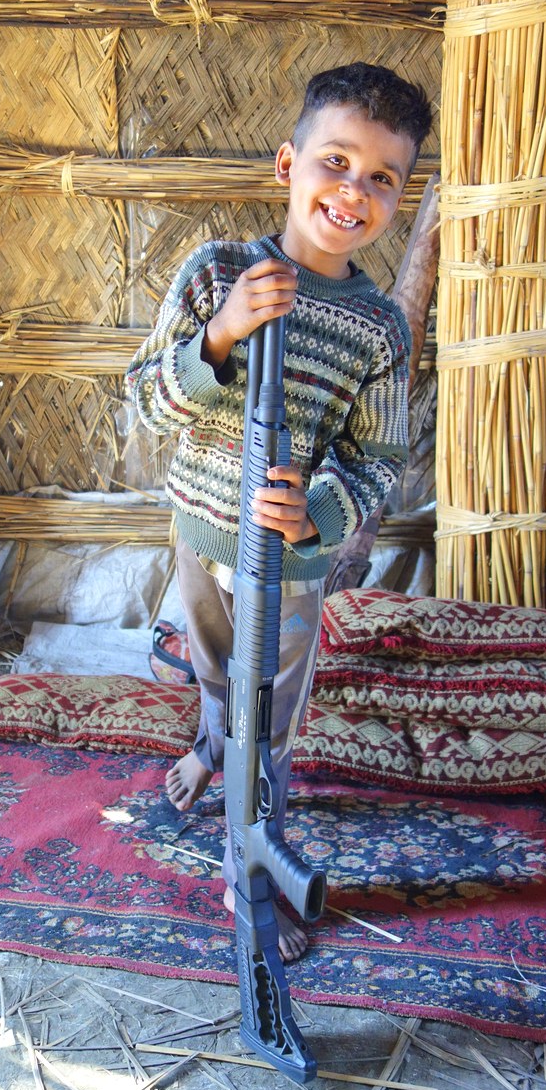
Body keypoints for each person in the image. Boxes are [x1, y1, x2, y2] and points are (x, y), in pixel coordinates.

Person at [126, 62, 433, 961]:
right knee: (218, 679)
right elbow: (145, 399)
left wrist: (317, 517)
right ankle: (209, 750)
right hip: (199, 533)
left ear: (399, 199)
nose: (354, 191)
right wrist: (218, 336)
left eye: (383, 178)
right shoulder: (217, 271)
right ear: (287, 165)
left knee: (272, 716)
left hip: (289, 567)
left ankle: (249, 872)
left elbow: (377, 459)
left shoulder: (378, 328)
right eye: (336, 162)